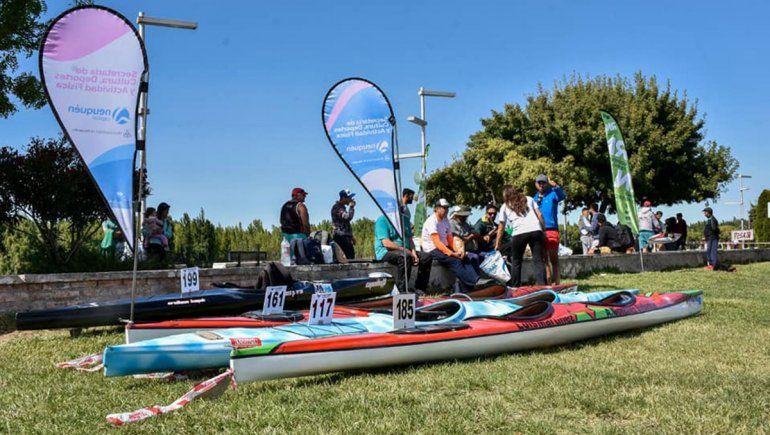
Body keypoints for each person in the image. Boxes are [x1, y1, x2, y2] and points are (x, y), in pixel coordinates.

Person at [422, 199, 482, 292]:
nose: (446, 210)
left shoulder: (445, 220)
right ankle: (474, 283)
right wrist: (452, 254)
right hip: (432, 248)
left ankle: (472, 285)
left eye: (447, 208)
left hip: (443, 246)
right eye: (444, 208)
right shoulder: (431, 221)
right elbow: (437, 243)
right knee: (455, 260)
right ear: (437, 209)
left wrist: (457, 251)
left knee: (464, 257)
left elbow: (450, 239)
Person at [494, 186, 546, 287]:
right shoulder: (529, 199)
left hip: (519, 234)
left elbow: (501, 227)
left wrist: (497, 244)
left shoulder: (504, 206)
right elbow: (540, 215)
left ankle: (515, 287)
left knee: (516, 261)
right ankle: (543, 285)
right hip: (536, 231)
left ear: (505, 195)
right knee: (538, 260)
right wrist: (544, 230)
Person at [374, 212, 431, 294]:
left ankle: (420, 289)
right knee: (405, 256)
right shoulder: (382, 220)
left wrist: (414, 253)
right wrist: (405, 250)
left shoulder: (405, 220)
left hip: (404, 250)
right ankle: (402, 291)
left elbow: (410, 239)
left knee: (426, 257)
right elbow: (386, 243)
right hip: (385, 252)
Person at [534, 174, 565, 284]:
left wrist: (555, 185)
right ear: (536, 184)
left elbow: (562, 196)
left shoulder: (553, 193)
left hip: (552, 230)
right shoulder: (535, 198)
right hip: (539, 231)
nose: (541, 184)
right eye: (539, 182)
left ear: (547, 183)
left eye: (543, 182)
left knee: (554, 259)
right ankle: (548, 285)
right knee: (544, 260)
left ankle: (557, 285)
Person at [331, 189, 356, 259]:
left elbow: (345, 224)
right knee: (348, 259)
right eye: (349, 198)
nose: (351, 199)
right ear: (343, 198)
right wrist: (351, 207)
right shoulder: (337, 207)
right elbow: (348, 217)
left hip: (345, 237)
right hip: (341, 238)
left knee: (350, 257)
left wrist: (351, 236)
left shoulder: (341, 208)